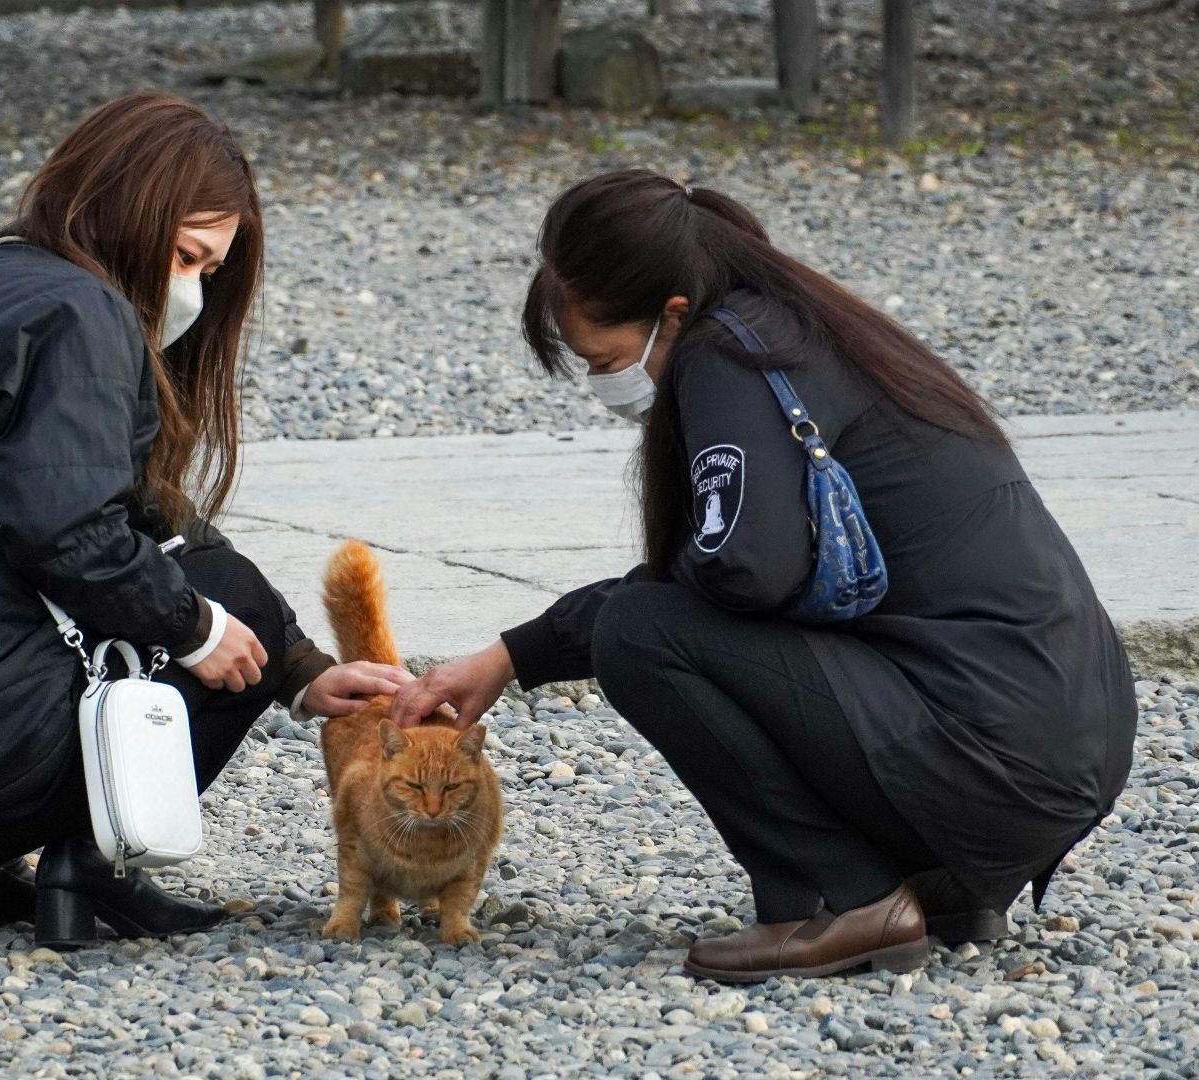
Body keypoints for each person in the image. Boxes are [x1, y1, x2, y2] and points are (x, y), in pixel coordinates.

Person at [391, 169, 1136, 983]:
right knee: (652, 617)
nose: (606, 383)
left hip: (993, 763)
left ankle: (840, 900)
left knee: (639, 634)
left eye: (605, 359)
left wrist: (553, 639)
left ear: (670, 314)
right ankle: (940, 887)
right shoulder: (806, 329)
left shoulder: (729, 356)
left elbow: (742, 573)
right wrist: (512, 655)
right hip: (1060, 753)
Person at [0, 92, 410, 948]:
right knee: (208, 602)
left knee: (179, 582)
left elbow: (141, 518)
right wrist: (199, 631)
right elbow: (69, 531)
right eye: (188, 257)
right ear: (130, 212)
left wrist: (298, 670)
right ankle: (88, 870)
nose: (192, 290)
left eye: (209, 271)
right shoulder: (82, 311)